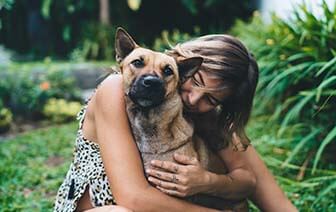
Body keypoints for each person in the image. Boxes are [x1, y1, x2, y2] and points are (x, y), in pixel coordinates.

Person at [54, 33, 297, 212]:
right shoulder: (116, 89)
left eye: (211, 98)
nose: (193, 99)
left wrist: (208, 182)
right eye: (196, 80)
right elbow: (133, 198)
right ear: (186, 61)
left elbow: (254, 183)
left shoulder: (204, 114)